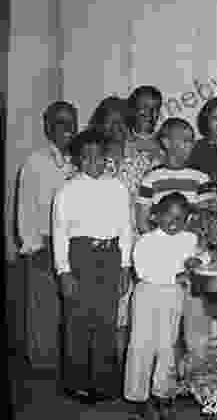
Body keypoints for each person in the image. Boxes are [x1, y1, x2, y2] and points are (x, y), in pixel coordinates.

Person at [52, 127, 133, 403]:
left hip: (110, 257)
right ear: (77, 160)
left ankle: (103, 382)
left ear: (106, 158)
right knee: (77, 321)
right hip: (80, 257)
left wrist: (124, 266)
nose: (93, 163)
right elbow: (60, 233)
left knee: (105, 321)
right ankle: (76, 382)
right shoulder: (66, 191)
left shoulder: (118, 187)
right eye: (85, 158)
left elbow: (126, 229)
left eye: (98, 157)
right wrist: (63, 271)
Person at [125, 192, 211, 420]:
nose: (174, 222)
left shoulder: (189, 239)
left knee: (167, 347)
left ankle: (162, 394)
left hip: (173, 297)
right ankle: (136, 399)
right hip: (147, 295)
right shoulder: (146, 241)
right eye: (169, 216)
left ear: (187, 220)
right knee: (141, 347)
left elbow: (204, 256)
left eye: (180, 218)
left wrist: (199, 261)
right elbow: (143, 271)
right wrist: (177, 274)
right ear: (155, 216)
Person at [90, 95, 162, 368]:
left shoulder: (145, 161)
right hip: (104, 248)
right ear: (100, 127)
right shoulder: (91, 164)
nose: (115, 129)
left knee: (140, 314)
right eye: (109, 124)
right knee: (112, 316)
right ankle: (116, 372)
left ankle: (138, 374)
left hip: (140, 246)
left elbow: (156, 204)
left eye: (120, 123)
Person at [136, 117, 217, 359]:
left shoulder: (202, 179)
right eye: (182, 141)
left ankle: (199, 381)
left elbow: (210, 224)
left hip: (191, 260)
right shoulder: (151, 178)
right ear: (165, 142)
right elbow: (143, 222)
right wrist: (165, 255)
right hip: (162, 266)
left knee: (196, 326)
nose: (188, 146)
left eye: (191, 141)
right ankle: (165, 385)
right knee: (165, 332)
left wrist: (194, 254)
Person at [17, 101, 78, 371]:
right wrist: (32, 246)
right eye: (59, 123)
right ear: (48, 127)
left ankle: (69, 362)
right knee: (43, 308)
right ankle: (43, 365)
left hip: (76, 245)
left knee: (71, 308)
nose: (66, 128)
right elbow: (26, 208)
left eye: (71, 122)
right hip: (44, 243)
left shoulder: (81, 160)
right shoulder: (35, 162)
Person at [125, 85, 165, 164]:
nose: (149, 113)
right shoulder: (120, 143)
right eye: (144, 107)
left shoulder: (166, 144)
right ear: (133, 109)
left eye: (155, 108)